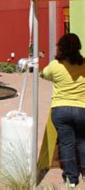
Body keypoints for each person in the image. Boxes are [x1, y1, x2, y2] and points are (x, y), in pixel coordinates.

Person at [42, 33, 85, 188]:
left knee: (66, 144)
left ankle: (71, 179)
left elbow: (44, 74)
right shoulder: (84, 64)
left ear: (61, 47)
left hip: (60, 109)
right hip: (82, 109)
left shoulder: (55, 65)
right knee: (82, 141)